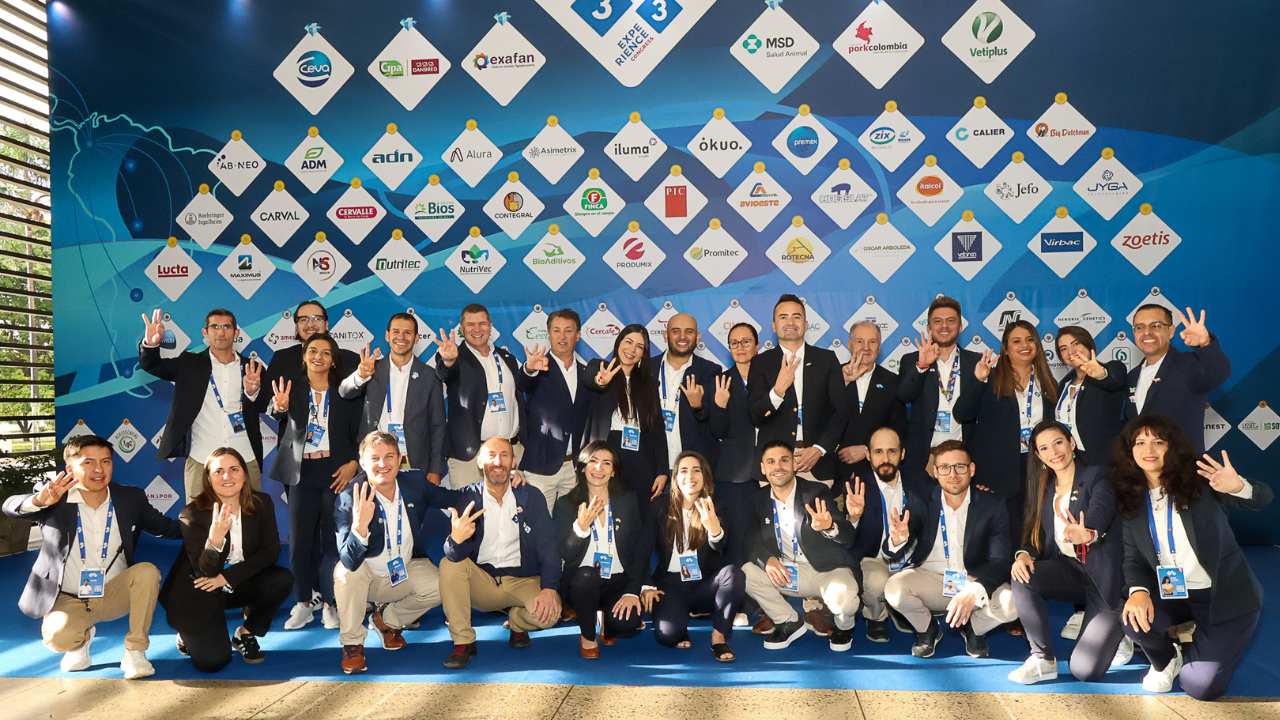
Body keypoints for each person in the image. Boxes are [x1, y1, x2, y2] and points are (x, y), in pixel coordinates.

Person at [1112, 414, 1272, 700]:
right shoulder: (1131, 497)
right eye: (1140, 442)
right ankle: (1168, 658)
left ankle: (1202, 642)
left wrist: (1238, 487)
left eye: (1158, 442)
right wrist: (1138, 590)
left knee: (1200, 687)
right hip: (1175, 593)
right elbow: (1133, 558)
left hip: (1224, 597)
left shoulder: (1201, 480)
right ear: (1129, 450)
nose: (1148, 449)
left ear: (1172, 446)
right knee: (1133, 616)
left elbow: (1263, 498)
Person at [2, 435, 180, 679]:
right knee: (58, 639)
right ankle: (80, 642)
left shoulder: (129, 498)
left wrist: (209, 525)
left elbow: (167, 528)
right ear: (70, 469)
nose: (99, 469)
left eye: (106, 461)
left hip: (115, 592)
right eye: (88, 462)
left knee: (147, 572)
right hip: (69, 597)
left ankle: (135, 651)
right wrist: (39, 500)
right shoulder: (55, 499)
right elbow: (10, 506)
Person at [332, 431, 464, 674]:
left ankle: (386, 621)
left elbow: (454, 497)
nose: (383, 464)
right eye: (374, 458)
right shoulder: (349, 498)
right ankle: (352, 645)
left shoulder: (414, 482)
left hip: (403, 570)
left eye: (389, 456)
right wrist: (360, 527)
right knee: (345, 574)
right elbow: (349, 560)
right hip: (367, 579)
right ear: (363, 464)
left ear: (400, 459)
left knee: (441, 585)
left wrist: (495, 486)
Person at [1007, 421, 1127, 685]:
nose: (1053, 452)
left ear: (1072, 443)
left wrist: (1089, 533)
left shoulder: (1097, 475)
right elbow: (1038, 538)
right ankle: (1043, 659)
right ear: (1038, 456)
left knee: (1084, 671)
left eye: (1058, 442)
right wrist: (1024, 554)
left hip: (1104, 581)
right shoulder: (1044, 488)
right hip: (1070, 572)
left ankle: (1124, 630)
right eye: (1044, 448)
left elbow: (1102, 510)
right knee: (1022, 574)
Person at [160, 448, 293, 673]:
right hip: (200, 588)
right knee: (212, 663)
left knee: (281, 579)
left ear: (244, 473)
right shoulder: (192, 514)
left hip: (233, 582)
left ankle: (245, 634)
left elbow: (270, 552)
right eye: (218, 471)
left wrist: (226, 578)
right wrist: (215, 540)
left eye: (234, 469)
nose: (227, 476)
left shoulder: (261, 503)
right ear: (208, 478)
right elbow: (204, 570)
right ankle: (187, 632)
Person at [883, 440, 1018, 659]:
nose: (952, 474)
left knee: (1013, 603)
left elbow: (1001, 561)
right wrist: (898, 540)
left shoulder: (992, 504)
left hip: (972, 579)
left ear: (971, 469)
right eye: (945, 468)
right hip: (931, 579)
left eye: (959, 467)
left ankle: (974, 628)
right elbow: (891, 550)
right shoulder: (921, 498)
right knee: (894, 589)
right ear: (935, 472)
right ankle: (927, 629)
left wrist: (974, 591)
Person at [439, 438, 561, 669]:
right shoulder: (467, 498)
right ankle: (464, 641)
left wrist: (550, 588)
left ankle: (516, 620)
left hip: (522, 580)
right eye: (492, 455)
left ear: (513, 462)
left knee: (549, 616)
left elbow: (548, 546)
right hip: (483, 583)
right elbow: (453, 555)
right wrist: (456, 540)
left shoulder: (531, 496)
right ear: (480, 461)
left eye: (504, 455)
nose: (498, 461)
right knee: (449, 565)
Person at [268, 332, 361, 631]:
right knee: (299, 542)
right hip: (302, 473)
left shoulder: (345, 391)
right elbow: (275, 410)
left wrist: (354, 463)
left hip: (336, 472)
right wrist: (279, 407)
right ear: (304, 356)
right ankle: (304, 603)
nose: (318, 356)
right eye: (312, 350)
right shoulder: (291, 389)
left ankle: (331, 603)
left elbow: (360, 431)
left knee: (332, 541)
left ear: (333, 361)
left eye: (325, 352)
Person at [742, 440, 860, 652]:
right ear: (763, 468)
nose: (778, 467)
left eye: (784, 460)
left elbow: (847, 535)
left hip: (826, 571)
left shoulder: (817, 492)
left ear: (795, 465)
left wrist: (830, 527)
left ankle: (844, 628)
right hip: (787, 572)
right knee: (748, 573)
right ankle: (789, 621)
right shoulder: (757, 499)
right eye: (771, 462)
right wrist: (768, 560)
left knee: (845, 602)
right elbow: (750, 540)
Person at [138, 308, 265, 503]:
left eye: (226, 327)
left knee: (252, 515)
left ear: (236, 332)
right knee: (196, 519)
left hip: (245, 456)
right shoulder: (189, 363)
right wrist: (151, 344)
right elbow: (152, 365)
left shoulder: (252, 367)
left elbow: (268, 406)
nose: (221, 332)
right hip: (201, 457)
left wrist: (252, 393)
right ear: (205, 332)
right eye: (215, 327)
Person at [634, 450, 744, 662]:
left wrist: (713, 527)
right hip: (670, 584)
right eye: (683, 471)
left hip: (704, 584)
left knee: (734, 574)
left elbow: (720, 544)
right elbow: (642, 550)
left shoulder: (716, 505)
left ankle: (718, 638)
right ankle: (679, 624)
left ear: (705, 477)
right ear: (675, 478)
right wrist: (646, 585)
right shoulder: (660, 506)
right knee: (668, 636)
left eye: (696, 470)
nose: (690, 476)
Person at [955, 320, 1058, 543]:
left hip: (1037, 467)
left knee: (1038, 532)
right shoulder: (991, 378)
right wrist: (979, 380)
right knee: (1005, 535)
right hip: (997, 473)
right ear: (1006, 348)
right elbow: (962, 414)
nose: (1025, 345)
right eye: (1017, 341)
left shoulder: (1048, 381)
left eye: (1030, 340)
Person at [553, 441, 643, 658]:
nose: (599, 468)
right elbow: (565, 553)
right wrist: (580, 529)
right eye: (593, 461)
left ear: (613, 471)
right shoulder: (566, 503)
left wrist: (634, 590)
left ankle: (607, 624)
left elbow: (639, 547)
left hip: (617, 579)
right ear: (583, 467)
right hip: (582, 584)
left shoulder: (627, 500)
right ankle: (587, 635)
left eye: (606, 463)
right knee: (587, 577)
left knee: (628, 622)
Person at [747, 295, 846, 486]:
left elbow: (841, 413)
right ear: (774, 326)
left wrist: (819, 448)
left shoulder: (826, 360)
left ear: (806, 325)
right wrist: (778, 391)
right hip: (774, 464)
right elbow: (755, 416)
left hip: (817, 464)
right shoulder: (760, 363)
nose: (790, 322)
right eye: (783, 317)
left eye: (796, 317)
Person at [338, 313, 447, 484]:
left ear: (416, 338)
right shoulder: (371, 370)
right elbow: (344, 392)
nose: (401, 337)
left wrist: (435, 469)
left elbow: (437, 425)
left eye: (407, 332)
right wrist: (360, 376)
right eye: (396, 331)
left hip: (414, 462)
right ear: (387, 336)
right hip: (376, 461)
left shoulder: (429, 376)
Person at [435, 304, 525, 488]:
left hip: (510, 453)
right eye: (470, 324)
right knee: (469, 506)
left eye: (482, 324)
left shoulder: (506, 358)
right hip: (470, 456)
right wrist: (449, 359)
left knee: (514, 505)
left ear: (490, 326)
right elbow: (445, 372)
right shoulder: (455, 356)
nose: (477, 329)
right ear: (462, 330)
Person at [897, 297, 983, 490]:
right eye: (938, 321)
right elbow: (904, 396)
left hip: (962, 460)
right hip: (923, 458)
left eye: (951, 321)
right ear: (929, 327)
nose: (944, 326)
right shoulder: (911, 360)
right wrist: (922, 366)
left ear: (960, 327)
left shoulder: (976, 363)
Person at [582, 325, 669, 514]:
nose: (632, 349)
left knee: (640, 514)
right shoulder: (600, 367)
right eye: (628, 342)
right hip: (608, 451)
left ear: (643, 354)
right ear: (618, 343)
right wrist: (600, 380)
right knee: (606, 511)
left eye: (639, 346)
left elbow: (657, 429)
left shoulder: (649, 384)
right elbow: (590, 378)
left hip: (641, 455)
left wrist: (662, 470)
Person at [1124, 306, 1230, 455]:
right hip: (1144, 465)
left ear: (1171, 331)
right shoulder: (1132, 376)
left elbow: (1219, 373)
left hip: (1183, 465)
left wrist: (1205, 343)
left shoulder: (1189, 365)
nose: (1147, 332)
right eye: (1139, 327)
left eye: (1156, 325)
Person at [517, 309, 591, 513]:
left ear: (578, 335)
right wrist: (530, 369)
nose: (562, 336)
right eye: (556, 330)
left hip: (575, 469)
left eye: (568, 330)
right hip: (541, 467)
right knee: (537, 526)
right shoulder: (538, 367)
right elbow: (523, 382)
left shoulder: (586, 373)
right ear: (548, 334)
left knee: (575, 526)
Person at [846, 426, 912, 643]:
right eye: (878, 452)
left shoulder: (919, 481)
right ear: (868, 455)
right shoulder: (857, 486)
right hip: (875, 557)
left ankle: (904, 609)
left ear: (902, 453)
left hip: (910, 558)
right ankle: (876, 617)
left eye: (892, 451)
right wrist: (854, 517)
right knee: (875, 582)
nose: (885, 459)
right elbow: (845, 539)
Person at [837, 321, 908, 483]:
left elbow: (898, 427)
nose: (866, 348)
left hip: (877, 475)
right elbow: (819, 418)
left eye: (872, 342)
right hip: (835, 472)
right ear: (849, 345)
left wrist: (866, 449)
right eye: (860, 341)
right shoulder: (833, 376)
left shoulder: (893, 382)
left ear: (879, 347)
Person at [652, 313, 721, 476]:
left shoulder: (710, 371)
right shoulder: (646, 368)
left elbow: (716, 422)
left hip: (693, 471)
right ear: (666, 335)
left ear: (697, 337)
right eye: (676, 331)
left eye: (689, 332)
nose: (682, 337)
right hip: (653, 467)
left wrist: (698, 406)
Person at [1054, 326, 1127, 468]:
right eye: (1063, 348)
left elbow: (1115, 380)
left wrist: (1101, 375)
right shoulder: (1065, 383)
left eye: (1076, 344)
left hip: (1104, 462)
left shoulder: (1111, 369)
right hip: (1072, 461)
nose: (1070, 352)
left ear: (1088, 344)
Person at [261, 300, 361, 390]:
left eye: (317, 319)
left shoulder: (351, 360)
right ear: (296, 326)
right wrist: (254, 391)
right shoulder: (281, 358)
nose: (310, 325)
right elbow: (265, 399)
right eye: (304, 319)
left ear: (326, 325)